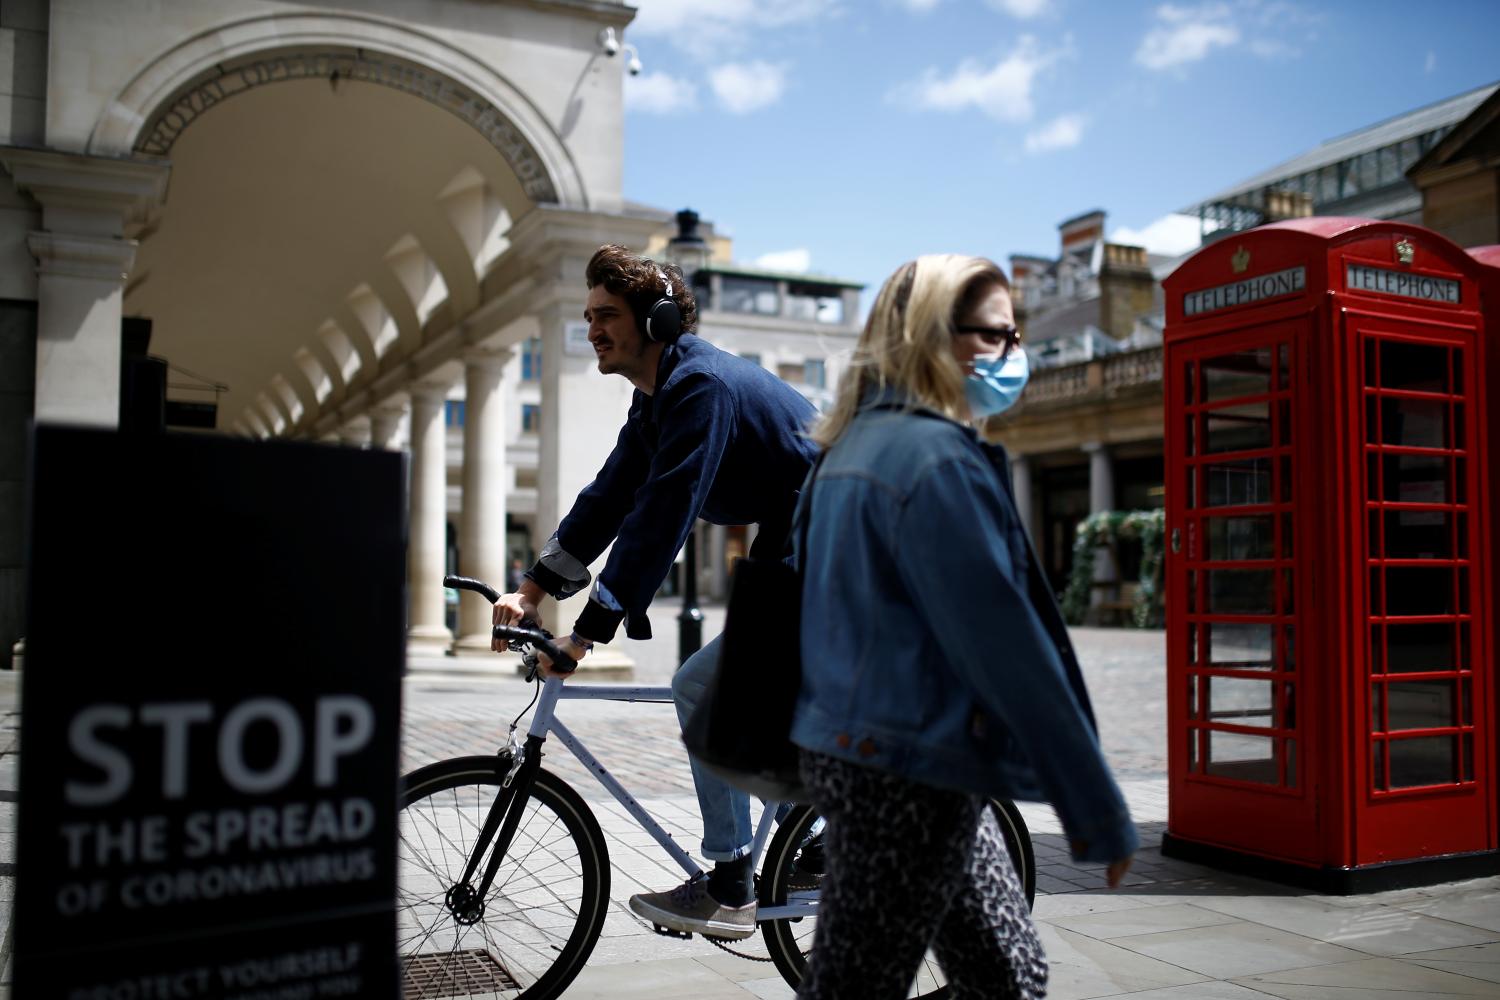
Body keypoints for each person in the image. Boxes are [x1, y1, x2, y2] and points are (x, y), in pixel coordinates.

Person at [789, 255, 1137, 999]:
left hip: (882, 755)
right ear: (932, 339)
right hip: (904, 773)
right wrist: (1097, 809)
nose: (1016, 358)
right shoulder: (935, 462)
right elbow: (1009, 649)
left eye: (1019, 338)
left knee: (1010, 974)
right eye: (998, 337)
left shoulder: (843, 452)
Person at [492, 243, 819, 939]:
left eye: (607, 315)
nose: (593, 330)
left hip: (846, 541)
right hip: (797, 539)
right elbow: (609, 498)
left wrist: (585, 634)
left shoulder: (700, 388)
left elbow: (663, 514)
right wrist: (530, 592)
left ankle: (733, 884)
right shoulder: (657, 402)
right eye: (587, 316)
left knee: (704, 687)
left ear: (660, 321)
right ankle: (815, 840)